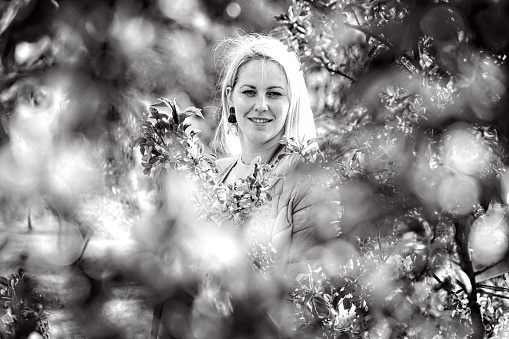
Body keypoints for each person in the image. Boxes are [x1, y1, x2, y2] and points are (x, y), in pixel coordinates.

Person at [213, 33, 341, 281]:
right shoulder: (212, 174)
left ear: (292, 101)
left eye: (274, 94)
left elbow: (312, 290)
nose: (261, 105)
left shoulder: (310, 184)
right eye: (249, 92)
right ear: (230, 97)